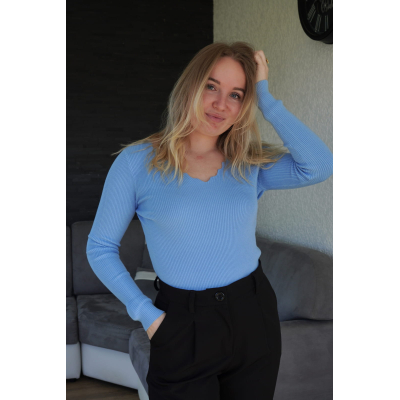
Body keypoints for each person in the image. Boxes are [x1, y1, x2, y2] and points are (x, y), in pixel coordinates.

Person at [86, 41, 333, 400]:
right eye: (211, 87)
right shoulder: (137, 162)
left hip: (253, 313)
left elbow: (319, 166)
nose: (221, 104)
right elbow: (100, 247)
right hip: (180, 323)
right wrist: (146, 314)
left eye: (236, 95)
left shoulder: (248, 162)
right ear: (191, 86)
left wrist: (265, 98)